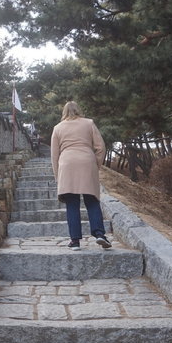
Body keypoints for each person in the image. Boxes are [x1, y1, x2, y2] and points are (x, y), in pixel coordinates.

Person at [50, 101, 112, 250]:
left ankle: (75, 241)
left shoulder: (57, 128)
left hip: (67, 165)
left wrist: (57, 176)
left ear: (64, 112)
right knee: (92, 200)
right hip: (87, 162)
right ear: (79, 110)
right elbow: (101, 147)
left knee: (72, 204)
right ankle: (99, 234)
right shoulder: (89, 123)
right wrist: (95, 165)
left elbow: (54, 155)